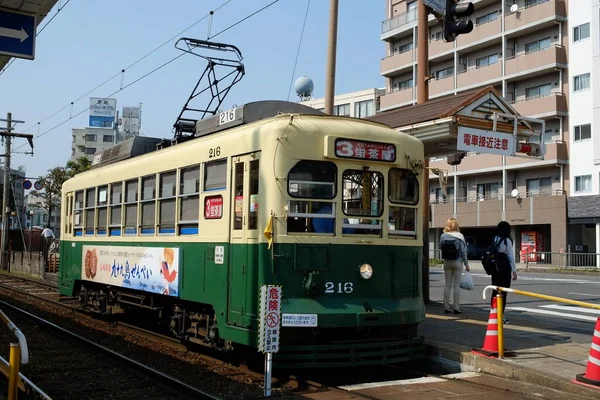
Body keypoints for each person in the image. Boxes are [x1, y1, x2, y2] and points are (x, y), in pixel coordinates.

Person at [439, 218, 470, 314]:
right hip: (457, 262)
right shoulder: (460, 236)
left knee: (447, 284)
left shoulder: (443, 236)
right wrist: (466, 264)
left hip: (447, 262)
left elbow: (441, 248)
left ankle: (446, 307)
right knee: (456, 285)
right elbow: (463, 252)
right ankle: (456, 307)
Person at [490, 221, 517, 324]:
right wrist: (514, 271)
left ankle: (493, 314)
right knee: (503, 292)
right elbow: (510, 256)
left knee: (495, 291)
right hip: (504, 268)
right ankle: (500, 316)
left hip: (495, 268)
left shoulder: (495, 239)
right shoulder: (507, 240)